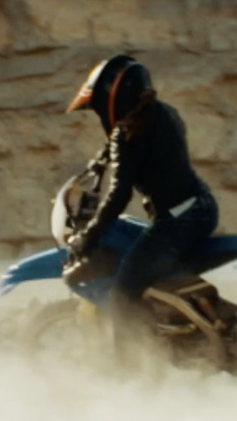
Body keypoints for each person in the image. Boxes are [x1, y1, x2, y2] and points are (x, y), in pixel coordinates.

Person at [63, 54, 219, 319]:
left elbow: (118, 195)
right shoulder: (166, 113)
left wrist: (87, 237)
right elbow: (147, 151)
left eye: (99, 107)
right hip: (203, 208)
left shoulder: (126, 137)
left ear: (111, 100)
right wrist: (103, 158)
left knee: (122, 295)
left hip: (177, 224)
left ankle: (131, 360)